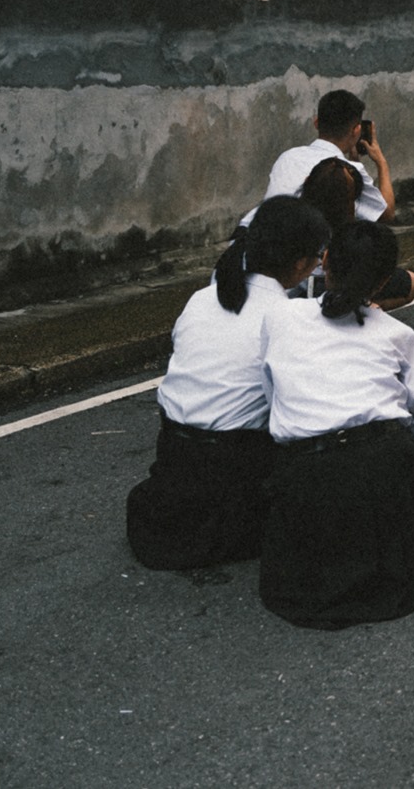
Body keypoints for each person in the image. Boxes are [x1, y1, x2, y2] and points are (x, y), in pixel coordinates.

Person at [257, 221, 414, 630]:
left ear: (325, 264)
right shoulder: (398, 334)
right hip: (379, 467)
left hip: (307, 471)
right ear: (386, 281)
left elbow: (273, 391)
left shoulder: (280, 316)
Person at [125, 196, 330, 571]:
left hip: (174, 458)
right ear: (302, 263)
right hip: (234, 472)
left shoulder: (201, 299)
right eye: (319, 256)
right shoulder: (290, 317)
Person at [244, 88, 395, 225]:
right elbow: (386, 214)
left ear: (316, 123)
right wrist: (381, 162)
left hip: (251, 237)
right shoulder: (350, 169)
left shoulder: (288, 156)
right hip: (295, 249)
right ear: (356, 130)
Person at [293, 156, 414, 309]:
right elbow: (386, 215)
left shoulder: (288, 213)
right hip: (324, 292)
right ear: (349, 203)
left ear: (307, 181)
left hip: (292, 295)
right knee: (413, 282)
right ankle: (365, 310)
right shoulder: (346, 231)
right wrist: (381, 163)